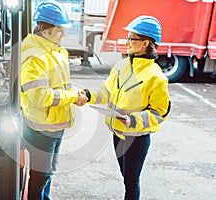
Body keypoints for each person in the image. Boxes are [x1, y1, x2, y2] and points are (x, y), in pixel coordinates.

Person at [83, 15, 171, 199]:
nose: (127, 42)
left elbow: (159, 112)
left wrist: (133, 120)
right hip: (117, 133)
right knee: (126, 179)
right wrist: (89, 95)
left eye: (132, 38)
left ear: (146, 43)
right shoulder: (122, 66)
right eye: (128, 38)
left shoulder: (155, 77)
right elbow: (106, 91)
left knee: (131, 183)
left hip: (136, 139)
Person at [20, 1, 88, 199]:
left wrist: (73, 95)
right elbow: (38, 95)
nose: (63, 35)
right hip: (43, 127)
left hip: (53, 124)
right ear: (45, 30)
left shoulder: (53, 50)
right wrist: (73, 97)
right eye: (59, 30)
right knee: (41, 176)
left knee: (47, 173)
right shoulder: (35, 55)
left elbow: (56, 86)